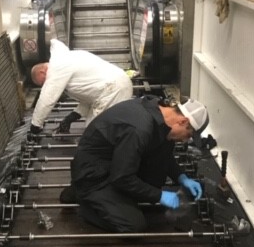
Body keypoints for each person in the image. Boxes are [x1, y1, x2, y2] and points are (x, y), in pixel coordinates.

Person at [62, 95, 209, 233]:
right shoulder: (139, 129)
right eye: (188, 135)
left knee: (155, 178)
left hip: (113, 162)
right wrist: (160, 196)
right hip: (93, 174)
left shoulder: (159, 113)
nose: (184, 141)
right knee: (133, 225)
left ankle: (106, 198)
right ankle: (84, 198)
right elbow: (122, 178)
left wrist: (182, 177)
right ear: (183, 121)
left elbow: (164, 154)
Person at [29, 38, 134, 135]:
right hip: (116, 87)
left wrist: (35, 125)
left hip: (113, 90)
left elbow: (47, 98)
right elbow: (91, 97)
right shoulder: (67, 59)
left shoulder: (57, 67)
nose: (45, 85)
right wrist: (71, 118)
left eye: (43, 83)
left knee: (94, 134)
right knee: (100, 131)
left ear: (42, 72)